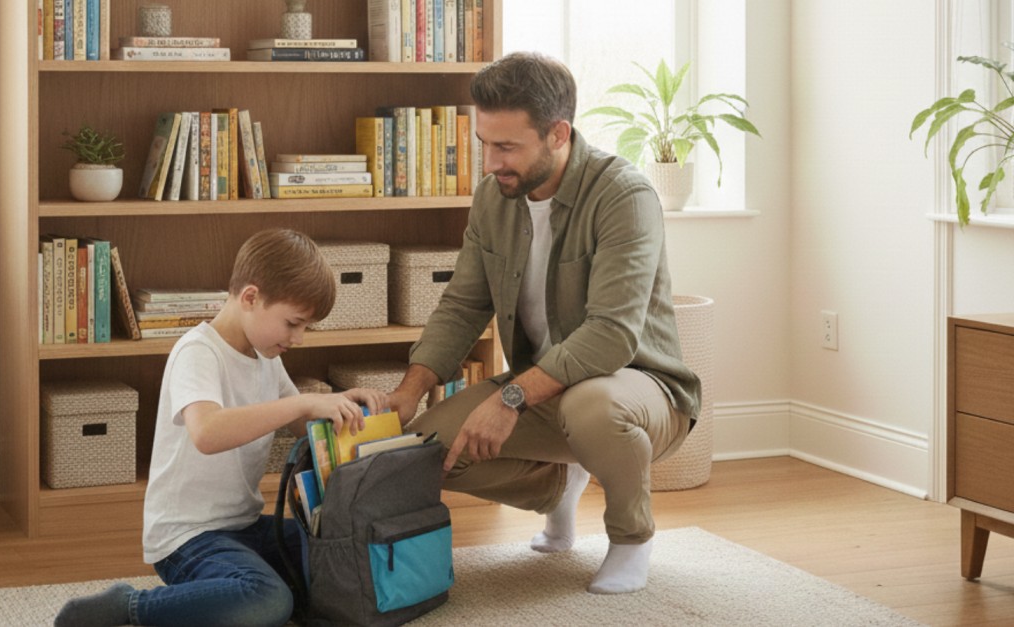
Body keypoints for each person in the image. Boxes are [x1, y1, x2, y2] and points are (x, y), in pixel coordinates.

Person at [388, 52, 701, 595]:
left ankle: (631, 538)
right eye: (485, 143)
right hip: (545, 388)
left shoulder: (624, 196)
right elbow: (462, 305)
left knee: (593, 407)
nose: (490, 162)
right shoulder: (493, 197)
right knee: (425, 453)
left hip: (642, 388)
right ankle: (558, 489)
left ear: (558, 134)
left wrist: (508, 399)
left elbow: (611, 335)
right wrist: (408, 391)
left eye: (506, 146)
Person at [55, 228, 388, 627]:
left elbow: (301, 423)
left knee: (342, 549)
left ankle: (243, 597)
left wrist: (343, 405)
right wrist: (302, 400)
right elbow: (207, 432)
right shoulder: (198, 352)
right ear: (250, 298)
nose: (298, 338)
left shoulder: (265, 354)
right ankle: (131, 605)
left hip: (244, 525)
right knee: (267, 600)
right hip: (188, 537)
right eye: (293, 323)